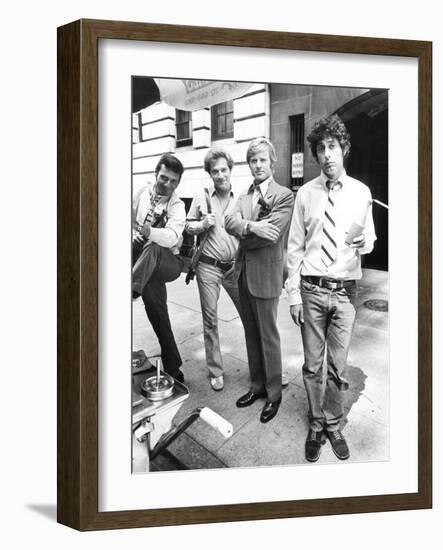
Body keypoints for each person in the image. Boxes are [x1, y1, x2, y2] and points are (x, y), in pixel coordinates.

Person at [286, 114, 376, 462]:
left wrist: (365, 241)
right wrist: (293, 294)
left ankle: (333, 424)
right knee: (312, 365)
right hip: (311, 290)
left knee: (338, 367)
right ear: (316, 154)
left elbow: (369, 239)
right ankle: (315, 423)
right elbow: (294, 247)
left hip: (345, 292)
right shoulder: (306, 195)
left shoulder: (361, 193)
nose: (327, 154)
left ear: (344, 149)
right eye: (321, 148)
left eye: (333, 147)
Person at [225, 138, 294, 423]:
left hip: (266, 275)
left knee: (268, 336)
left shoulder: (284, 195)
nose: (257, 165)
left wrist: (244, 233)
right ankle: (256, 386)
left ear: (272, 162)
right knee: (250, 334)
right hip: (242, 275)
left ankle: (274, 393)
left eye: (262, 160)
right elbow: (228, 222)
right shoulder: (243, 196)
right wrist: (250, 226)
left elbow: (272, 235)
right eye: (253, 161)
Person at [185, 147, 241, 391]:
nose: (220, 175)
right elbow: (187, 227)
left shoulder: (242, 197)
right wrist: (200, 225)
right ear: (209, 173)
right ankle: (215, 370)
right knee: (210, 321)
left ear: (231, 170)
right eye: (215, 171)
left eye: (224, 170)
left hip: (235, 268)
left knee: (251, 317)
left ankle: (264, 368)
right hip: (208, 267)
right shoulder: (202, 196)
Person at [132, 153, 186, 383]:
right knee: (158, 314)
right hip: (145, 265)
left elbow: (172, 237)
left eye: (174, 181)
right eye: (164, 178)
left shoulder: (178, 205)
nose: (168, 185)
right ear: (156, 174)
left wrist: (148, 233)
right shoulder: (140, 193)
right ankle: (174, 368)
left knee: (153, 246)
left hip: (168, 262)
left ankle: (131, 290)